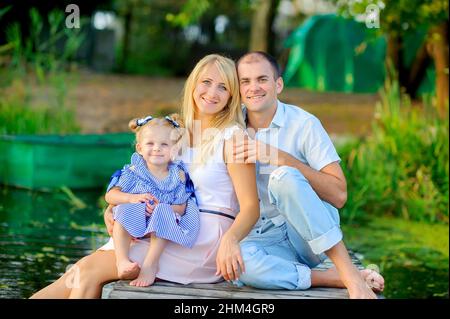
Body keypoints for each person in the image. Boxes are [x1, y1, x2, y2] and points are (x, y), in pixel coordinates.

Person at [30, 54, 260, 298]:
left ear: (232, 96)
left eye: (223, 87)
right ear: (193, 83)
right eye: (206, 82)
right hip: (159, 224)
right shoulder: (177, 131)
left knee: (87, 272)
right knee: (73, 276)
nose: (212, 92)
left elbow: (250, 206)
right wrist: (116, 208)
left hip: (201, 238)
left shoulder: (233, 137)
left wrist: (231, 239)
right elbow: (148, 178)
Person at [232, 51, 385, 298]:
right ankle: (332, 278)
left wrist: (278, 156)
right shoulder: (232, 125)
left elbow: (339, 195)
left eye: (262, 79)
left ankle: (349, 275)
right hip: (266, 237)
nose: (254, 88)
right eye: (245, 81)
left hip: (308, 234)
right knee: (241, 266)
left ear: (278, 84)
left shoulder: (304, 124)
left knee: (284, 178)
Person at [104, 115, 200, 287]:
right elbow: (110, 196)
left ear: (174, 150)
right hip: (135, 224)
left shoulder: (177, 176)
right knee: (124, 209)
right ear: (140, 148)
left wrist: (163, 208)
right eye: (150, 144)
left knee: (164, 211)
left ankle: (150, 264)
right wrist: (131, 198)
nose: (157, 149)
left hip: (160, 229)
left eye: (164, 144)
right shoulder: (134, 172)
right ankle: (122, 261)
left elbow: (182, 206)